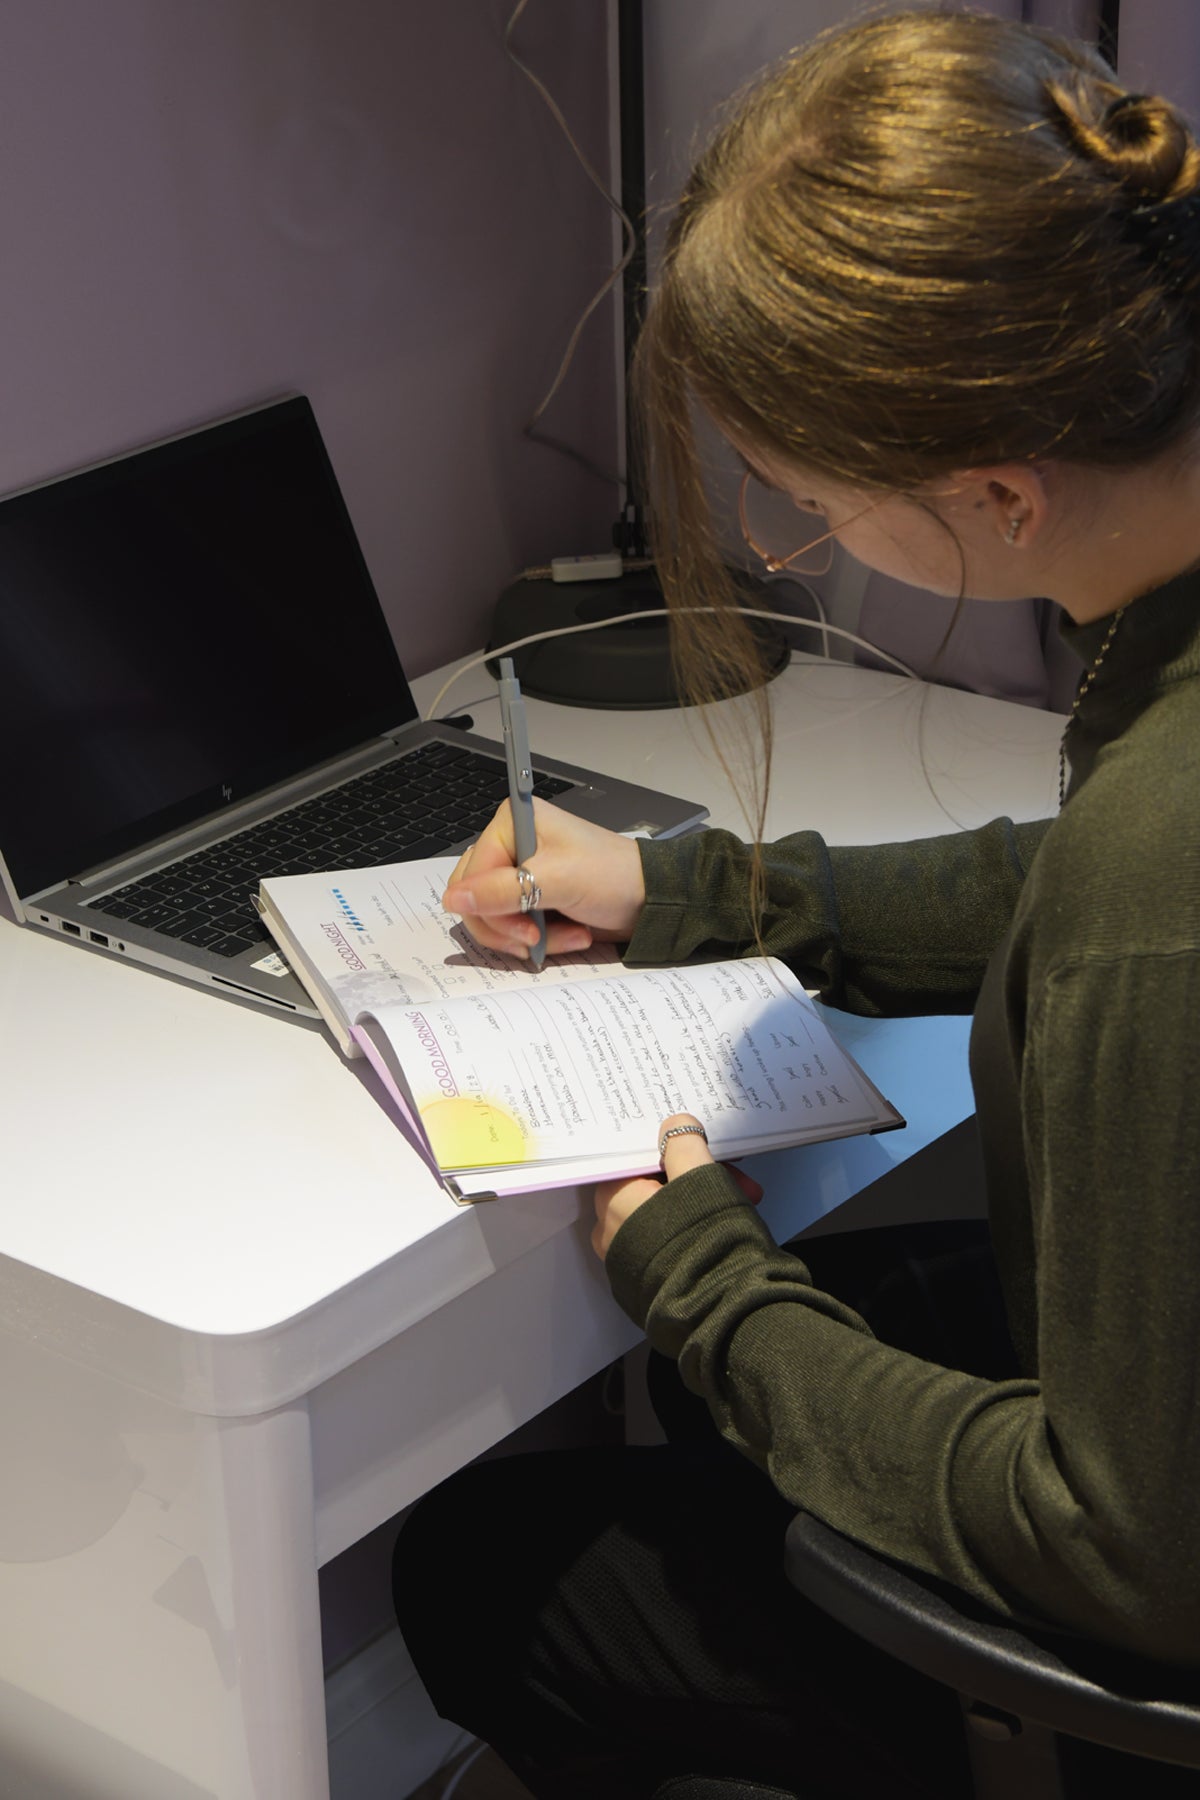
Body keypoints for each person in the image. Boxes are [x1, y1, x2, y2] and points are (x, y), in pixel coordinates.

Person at [393, 9, 1200, 1796]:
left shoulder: (1167, 880)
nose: (805, 541)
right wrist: (696, 891)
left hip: (1145, 1631)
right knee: (748, 1361)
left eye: (817, 508)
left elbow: (1134, 1555)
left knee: (479, 1571)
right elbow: (1072, 889)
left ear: (996, 491)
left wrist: (704, 1283)